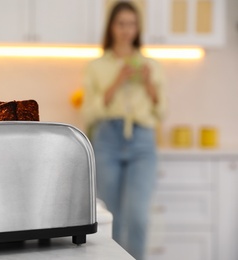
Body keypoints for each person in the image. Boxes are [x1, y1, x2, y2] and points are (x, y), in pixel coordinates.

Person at [81, 2, 166, 260]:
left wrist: (149, 83)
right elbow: (88, 113)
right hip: (107, 140)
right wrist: (118, 80)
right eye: (121, 24)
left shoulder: (151, 66)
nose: (126, 30)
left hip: (142, 141)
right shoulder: (97, 67)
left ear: (138, 28)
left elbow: (161, 112)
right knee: (110, 217)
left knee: (138, 216)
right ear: (111, 27)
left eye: (132, 24)